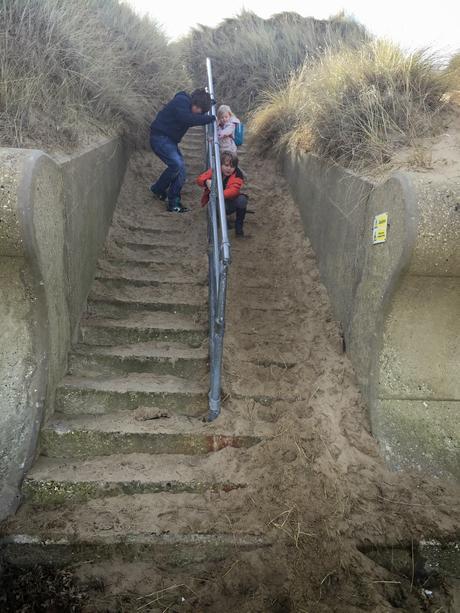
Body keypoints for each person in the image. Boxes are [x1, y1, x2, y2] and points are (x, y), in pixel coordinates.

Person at [150, 89, 215, 213]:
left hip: (170, 142)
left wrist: (209, 103)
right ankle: (158, 188)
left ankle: (174, 203)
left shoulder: (190, 108)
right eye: (196, 107)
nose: (196, 111)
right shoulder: (181, 101)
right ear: (192, 101)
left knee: (181, 173)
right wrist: (211, 118)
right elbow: (187, 118)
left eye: (200, 110)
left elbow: (192, 116)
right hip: (159, 137)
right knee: (176, 164)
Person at [196, 151, 248, 237]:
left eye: (232, 166)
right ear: (220, 164)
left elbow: (233, 190)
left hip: (230, 202)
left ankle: (239, 227)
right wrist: (206, 182)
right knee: (215, 203)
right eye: (226, 165)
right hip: (218, 201)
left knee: (242, 200)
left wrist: (217, 193)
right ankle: (221, 224)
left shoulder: (238, 174)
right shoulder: (215, 170)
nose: (229, 169)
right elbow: (199, 179)